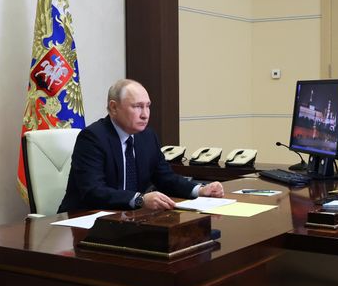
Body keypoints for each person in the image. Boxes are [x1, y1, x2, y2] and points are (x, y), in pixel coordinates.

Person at [58, 79, 225, 212]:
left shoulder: (147, 136)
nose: (145, 115)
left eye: (148, 106)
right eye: (137, 107)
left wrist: (200, 190)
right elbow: (93, 191)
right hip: (84, 220)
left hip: (127, 219)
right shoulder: (93, 138)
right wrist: (140, 199)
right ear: (114, 108)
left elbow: (165, 178)